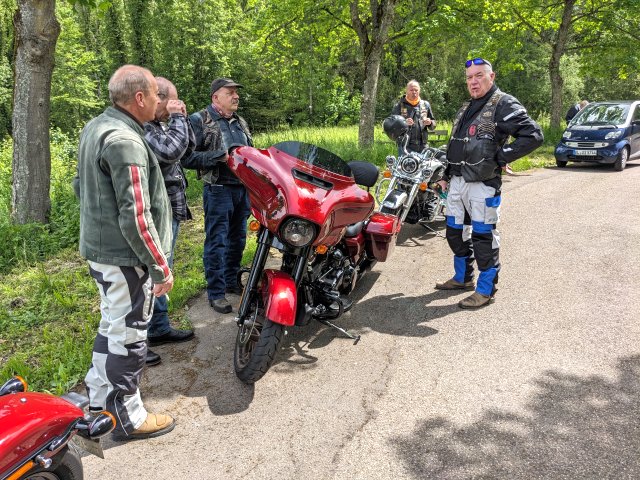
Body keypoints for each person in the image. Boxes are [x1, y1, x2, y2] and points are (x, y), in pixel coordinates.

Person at [75, 65, 175, 440]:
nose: (160, 100)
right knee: (129, 335)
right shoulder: (124, 141)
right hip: (126, 258)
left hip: (104, 252)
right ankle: (126, 417)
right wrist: (159, 266)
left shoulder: (96, 127)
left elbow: (80, 185)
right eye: (156, 94)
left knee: (112, 326)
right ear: (139, 98)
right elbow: (136, 216)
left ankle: (98, 402)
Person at [435, 58, 543, 309]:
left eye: (479, 76)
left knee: (483, 236)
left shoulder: (503, 103)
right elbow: (456, 144)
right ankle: (463, 278)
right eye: (469, 77)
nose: (473, 82)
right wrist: (445, 175)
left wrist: (501, 157)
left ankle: (485, 290)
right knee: (454, 232)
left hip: (483, 184)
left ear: (491, 77)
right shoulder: (466, 106)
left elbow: (533, 135)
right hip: (457, 183)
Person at [181, 78, 253, 314]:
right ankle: (216, 293)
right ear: (215, 97)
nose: (236, 96)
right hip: (218, 189)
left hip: (242, 189)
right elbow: (186, 158)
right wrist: (218, 157)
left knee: (238, 239)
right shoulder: (199, 120)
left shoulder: (240, 121)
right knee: (217, 242)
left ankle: (231, 281)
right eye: (230, 93)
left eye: (236, 93)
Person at [143, 77, 196, 364]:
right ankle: (138, 339)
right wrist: (176, 118)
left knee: (165, 267)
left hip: (169, 208)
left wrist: (182, 119)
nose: (174, 106)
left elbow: (187, 150)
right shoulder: (144, 126)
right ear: (158, 97)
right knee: (151, 272)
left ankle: (159, 327)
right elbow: (169, 152)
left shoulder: (162, 124)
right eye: (172, 101)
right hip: (155, 211)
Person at [391, 80, 437, 153]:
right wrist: (403, 123)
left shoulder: (425, 104)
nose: (414, 92)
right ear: (406, 91)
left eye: (416, 90)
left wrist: (430, 122)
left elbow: (433, 124)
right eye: (411, 90)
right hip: (405, 146)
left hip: (423, 146)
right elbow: (392, 126)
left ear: (419, 91)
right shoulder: (399, 105)